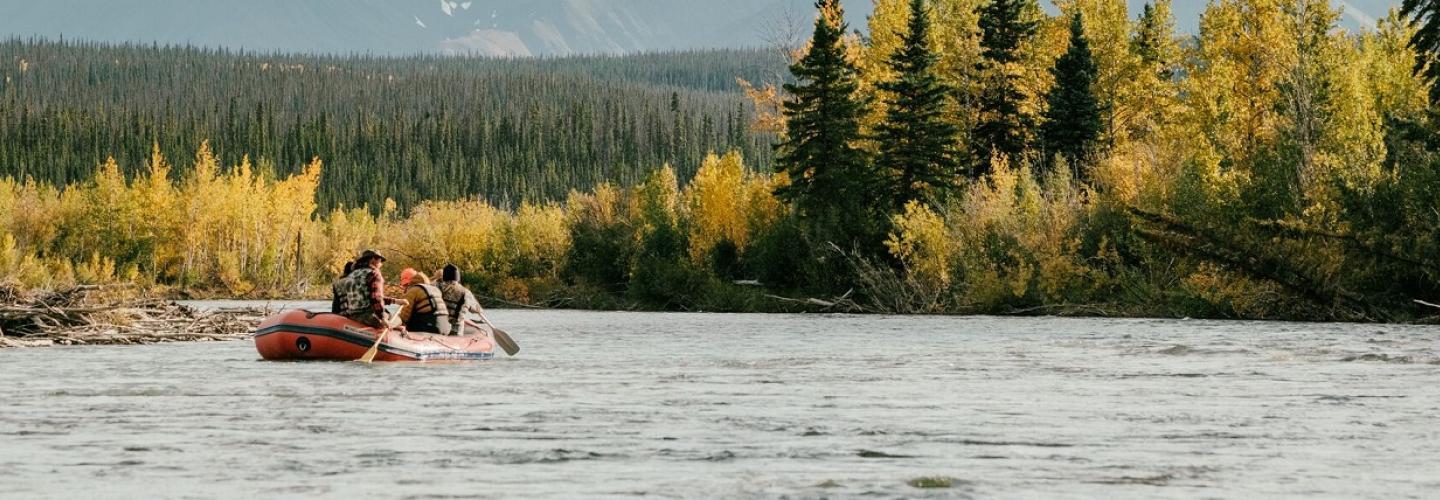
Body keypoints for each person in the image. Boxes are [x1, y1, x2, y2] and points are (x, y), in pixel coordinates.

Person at [336, 249, 407, 329]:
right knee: (399, 320)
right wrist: (382, 318)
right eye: (380, 261)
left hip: (352, 316)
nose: (381, 264)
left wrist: (396, 301)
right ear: (373, 259)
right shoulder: (374, 274)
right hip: (369, 317)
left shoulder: (351, 275)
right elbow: (376, 298)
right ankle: (393, 328)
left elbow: (367, 297)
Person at [438, 264, 488, 336]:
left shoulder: (435, 287)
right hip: (455, 332)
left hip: (438, 328)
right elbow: (478, 310)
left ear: (444, 276)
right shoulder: (466, 292)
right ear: (458, 277)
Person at [397, 269, 451, 335]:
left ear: (408, 283)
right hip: (445, 328)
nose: (404, 288)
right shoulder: (435, 289)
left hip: (429, 329)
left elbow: (403, 318)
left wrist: (392, 324)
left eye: (404, 285)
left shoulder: (413, 290)